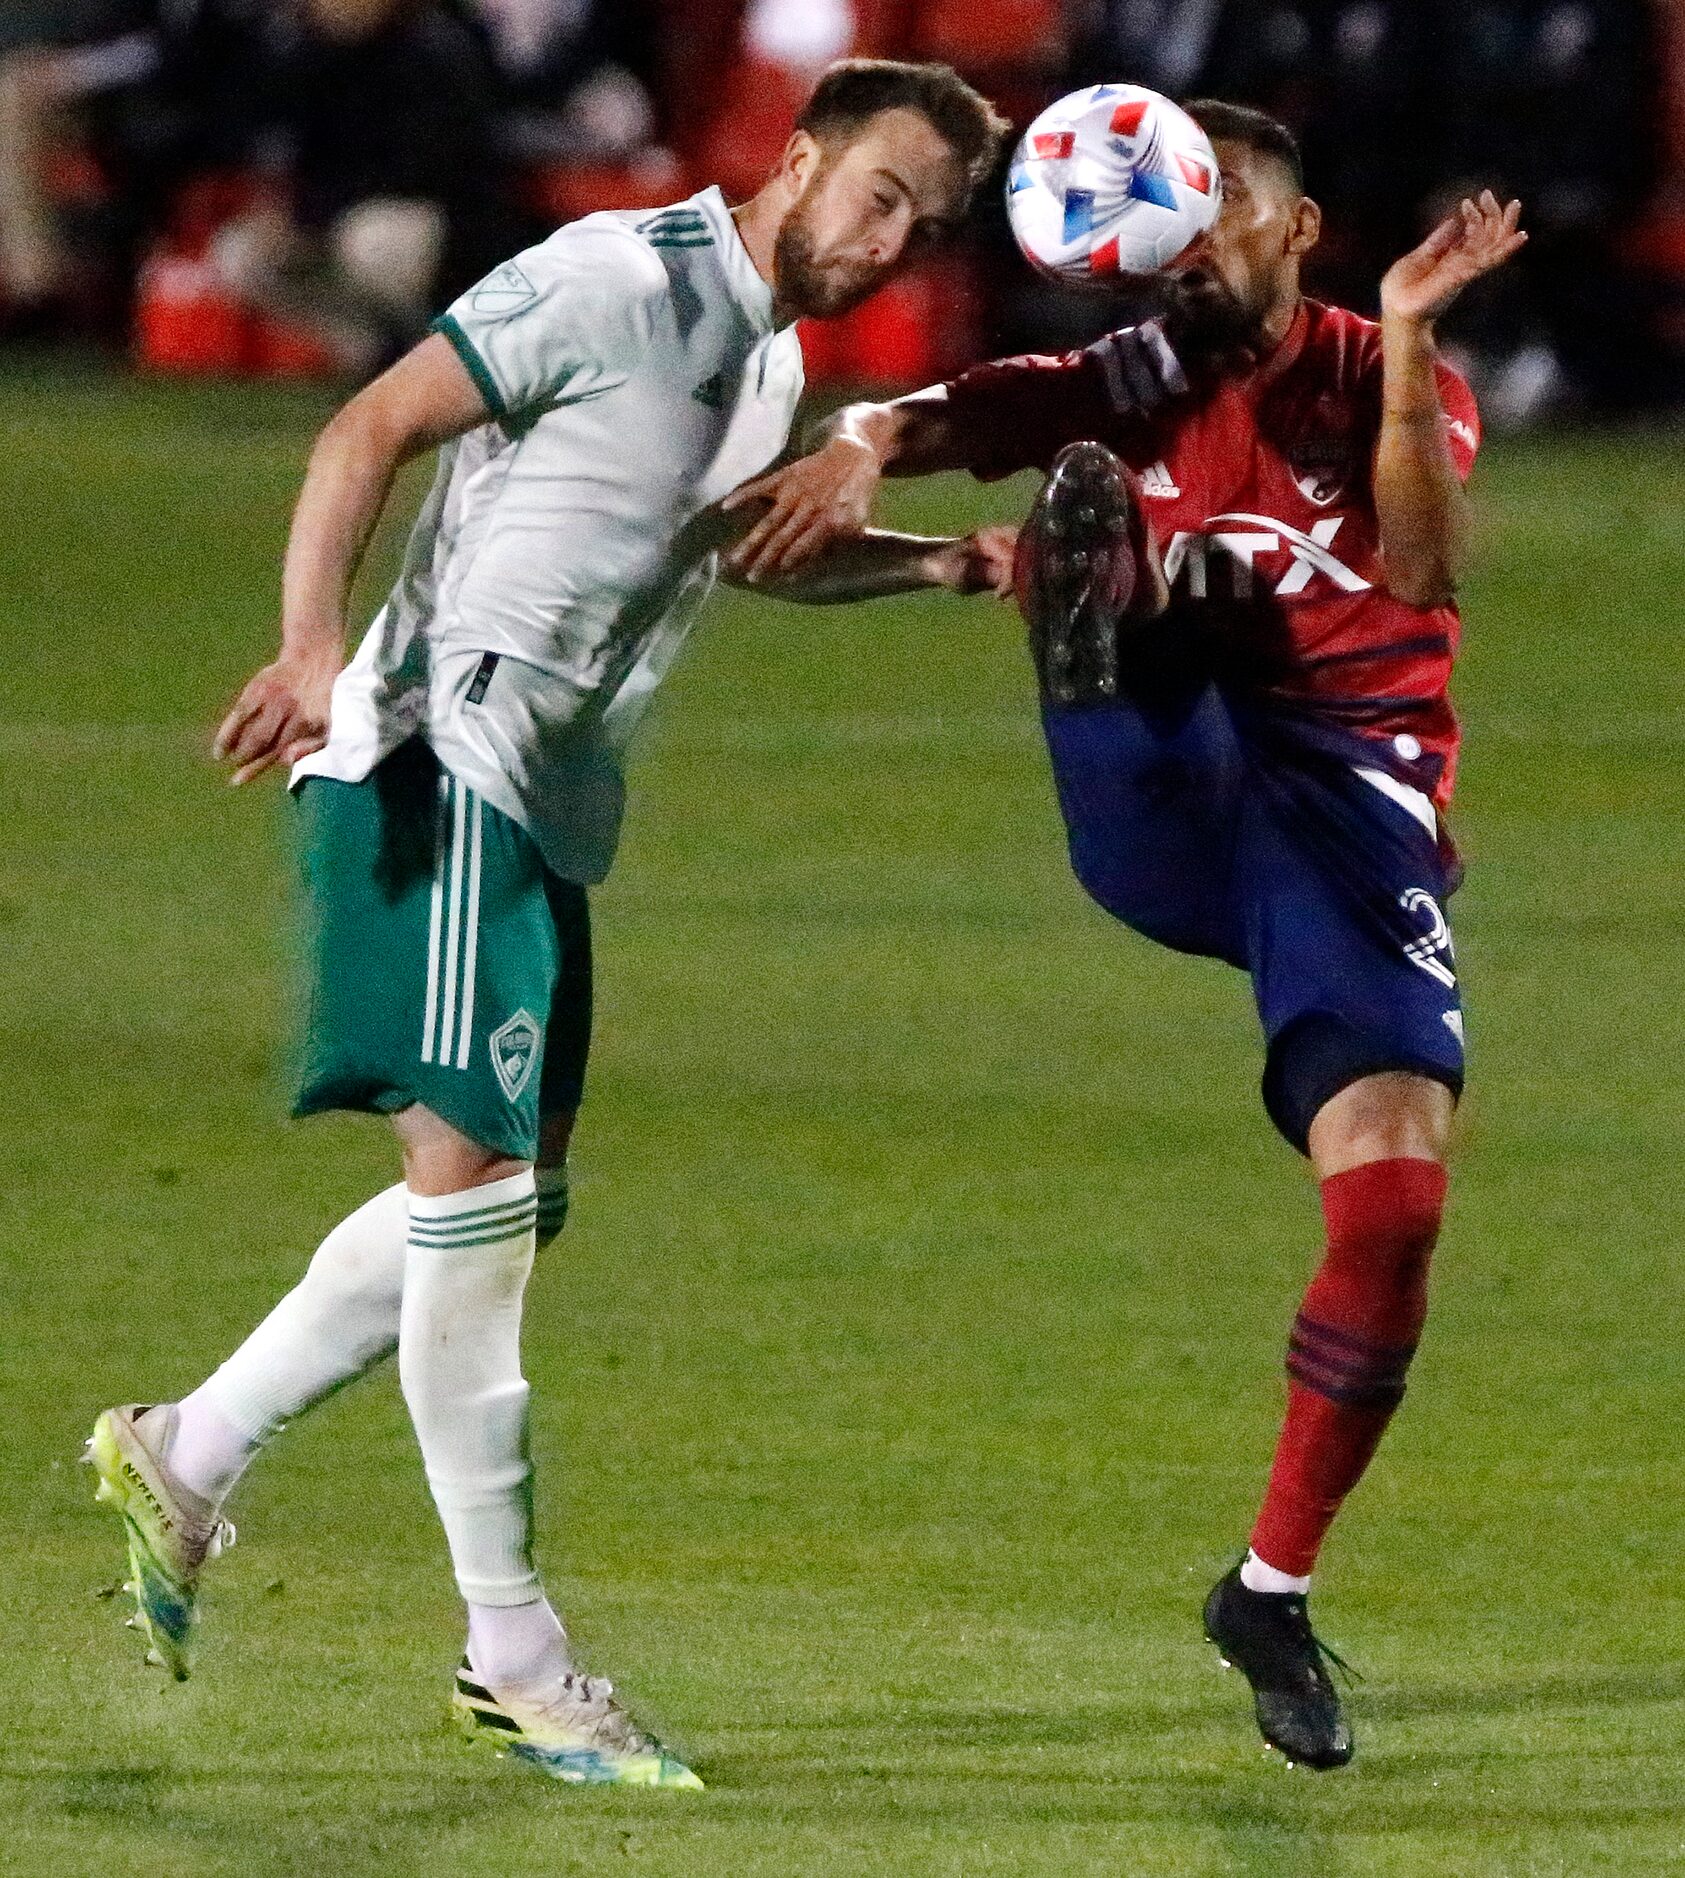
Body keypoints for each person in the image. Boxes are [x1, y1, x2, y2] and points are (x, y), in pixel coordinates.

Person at [84, 56, 1010, 1789]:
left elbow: (743, 553)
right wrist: (309, 649)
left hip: (547, 802)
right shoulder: (615, 278)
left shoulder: (776, 360)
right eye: (877, 194)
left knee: (513, 1204)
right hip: (442, 756)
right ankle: (511, 1653)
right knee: (480, 1201)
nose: (890, 241)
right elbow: (370, 423)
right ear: (796, 159)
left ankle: (187, 1449)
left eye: (928, 225)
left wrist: (949, 563)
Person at [726, 99, 1526, 1770]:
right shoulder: (1131, 376)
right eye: (1158, 202)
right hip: (1170, 788)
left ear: (1294, 235)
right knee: (1109, 514)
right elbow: (948, 405)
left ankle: (1267, 1587)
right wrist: (861, 443)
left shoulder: (1388, 379)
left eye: (1217, 202)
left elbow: (1427, 567)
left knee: (1393, 1206)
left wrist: (1399, 339)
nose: (1177, 232)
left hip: (1345, 815)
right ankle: (1105, 603)